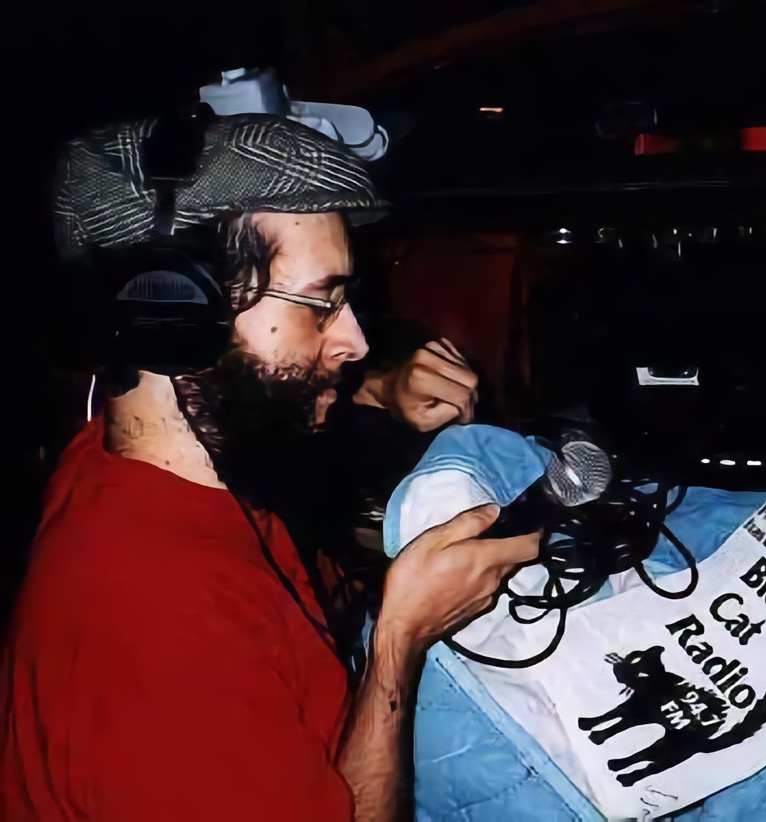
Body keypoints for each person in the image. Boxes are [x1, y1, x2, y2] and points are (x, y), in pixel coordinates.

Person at [1, 112, 538, 820]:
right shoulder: (159, 631)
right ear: (176, 313)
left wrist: (378, 391)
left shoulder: (135, 451)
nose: (354, 341)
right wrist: (401, 638)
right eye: (322, 303)